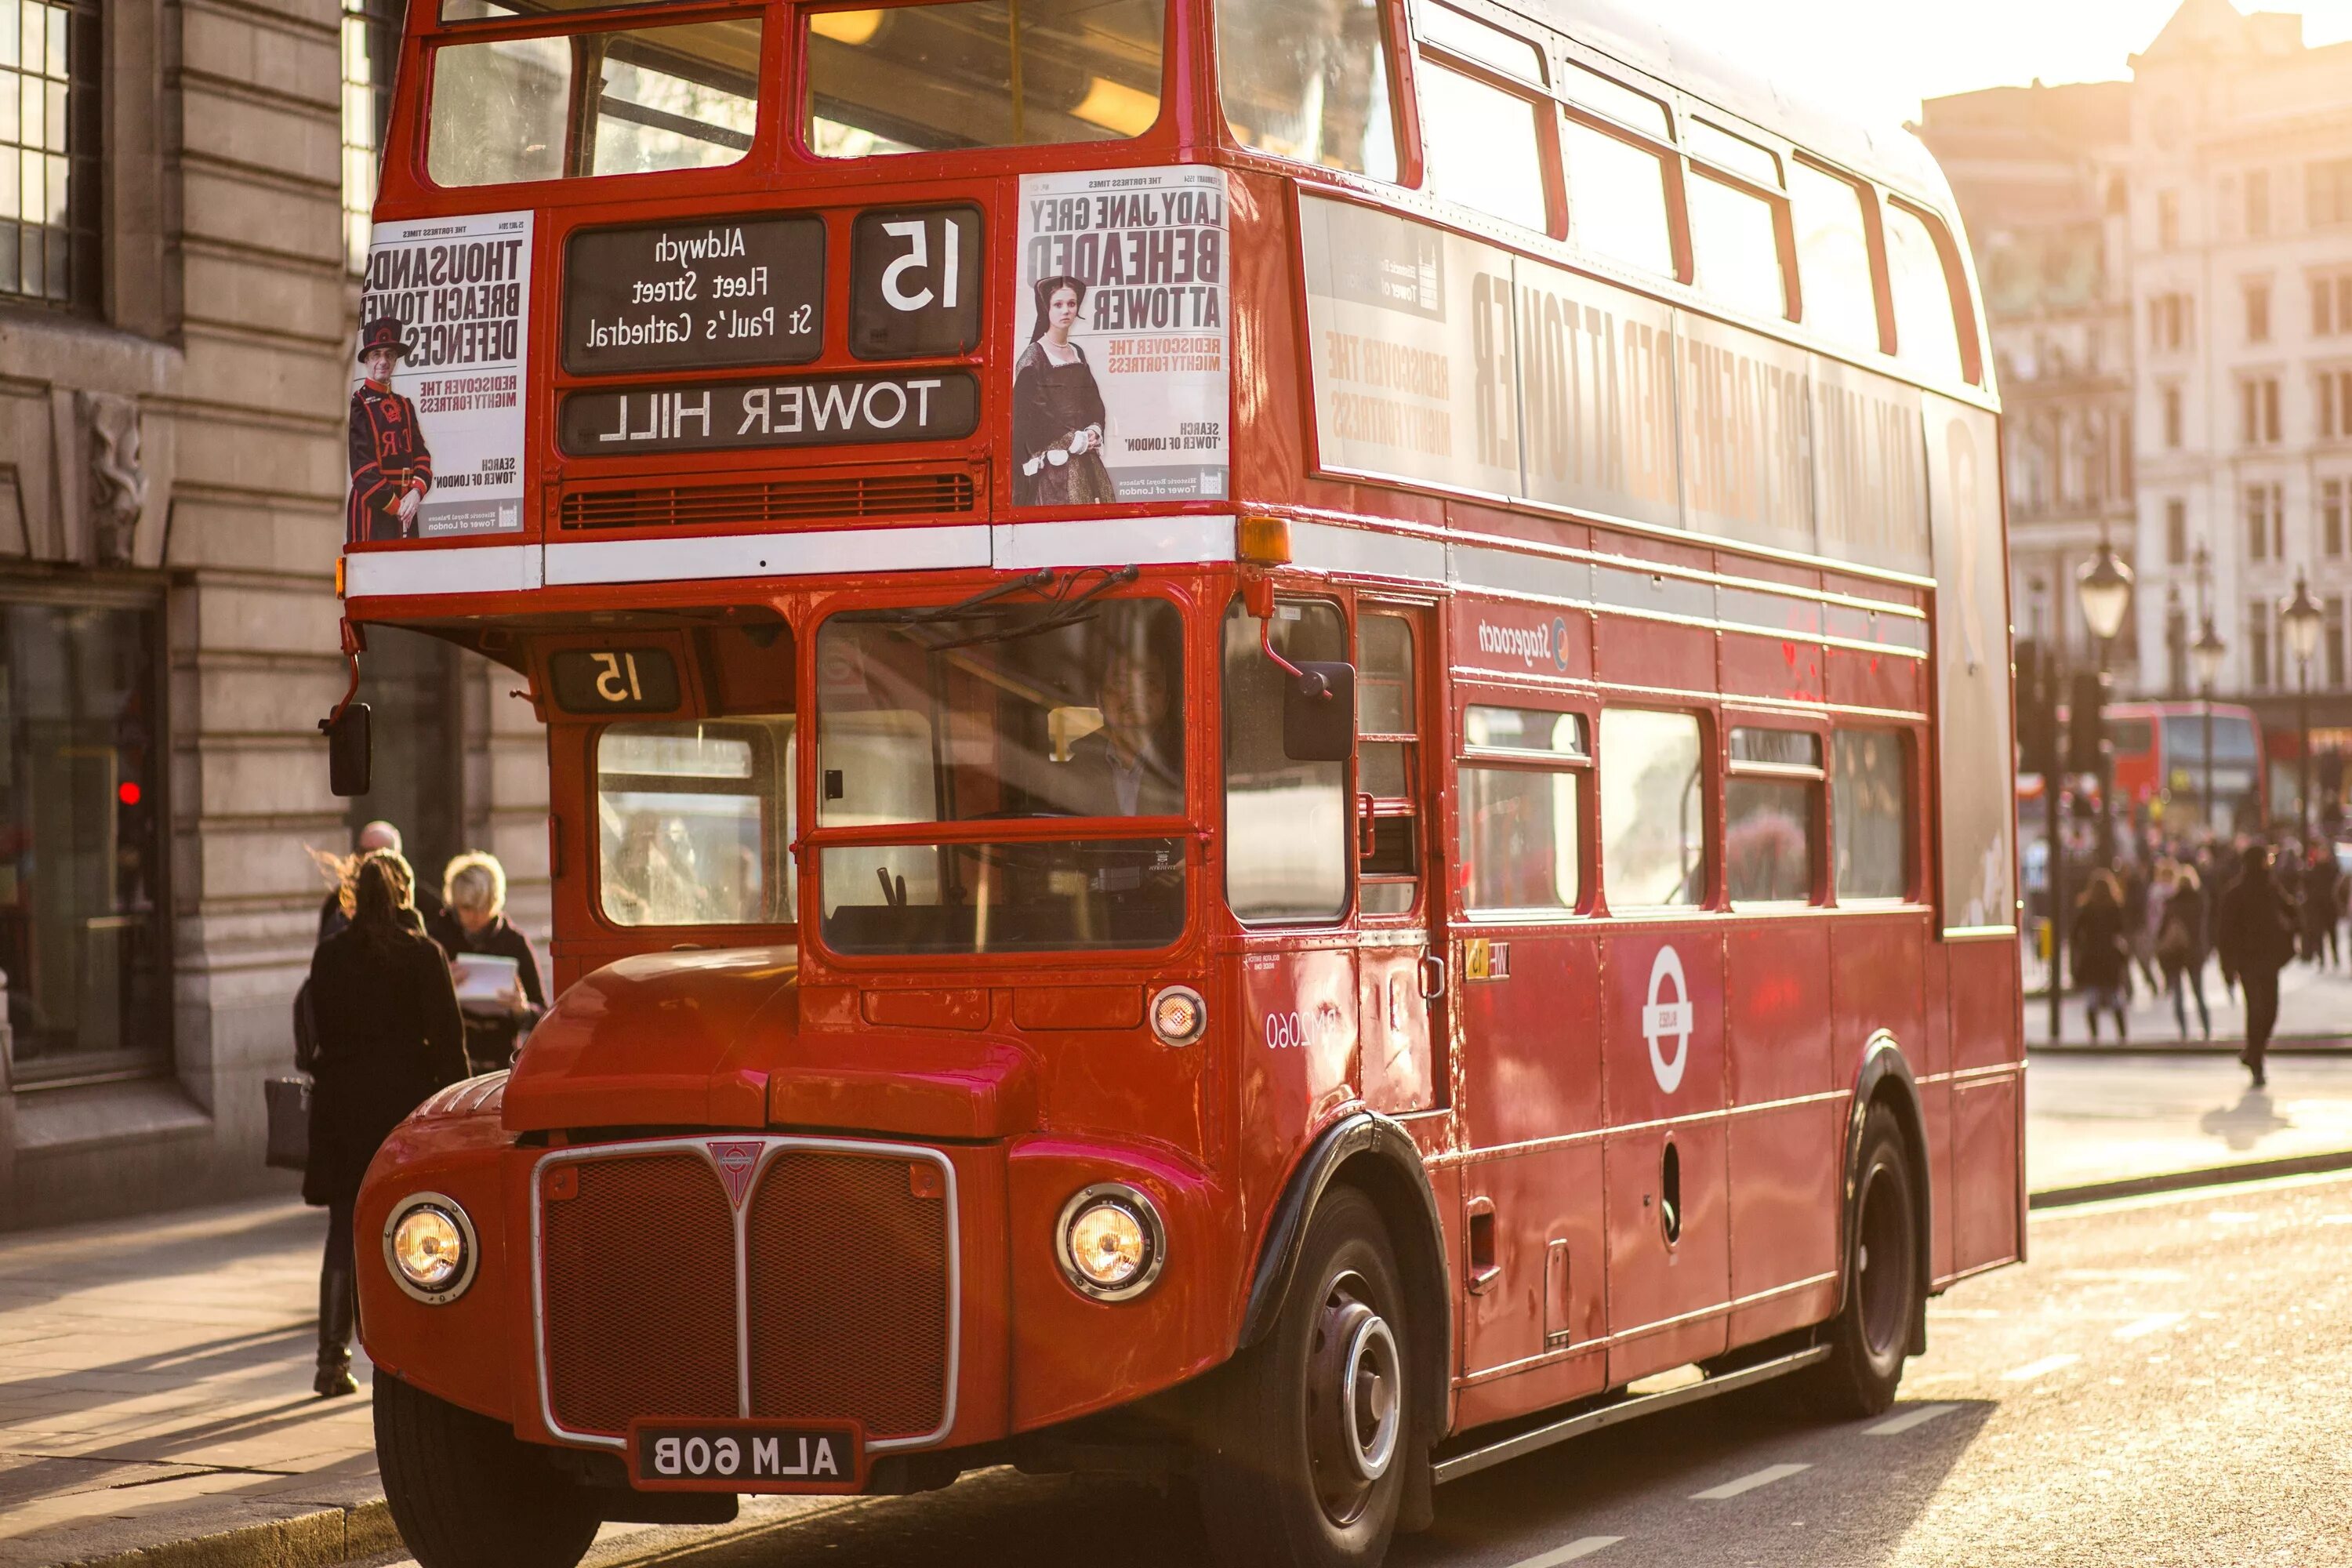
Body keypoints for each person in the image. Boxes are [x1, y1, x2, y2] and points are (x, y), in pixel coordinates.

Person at [303, 850, 466, 1396]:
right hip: (404, 1109)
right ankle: (417, 1363)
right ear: (405, 896)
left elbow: (317, 1030)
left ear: (353, 895)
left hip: (343, 1108)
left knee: (342, 1231)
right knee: (418, 1229)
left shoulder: (330, 956)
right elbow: (448, 1043)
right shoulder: (423, 954)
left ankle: (331, 1361)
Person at [1011, 275, 1116, 507]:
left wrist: (1094, 429)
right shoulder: (1033, 357)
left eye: (1071, 304)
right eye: (1058, 305)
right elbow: (1030, 414)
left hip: (1087, 460)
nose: (1066, 311)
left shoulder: (1077, 352)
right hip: (1053, 468)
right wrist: (1073, 439)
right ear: (1046, 308)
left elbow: (1092, 400)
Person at [442, 851, 546, 1076]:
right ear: (455, 904)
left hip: (498, 1064)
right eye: (467, 908)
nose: (475, 916)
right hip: (450, 1064)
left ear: (496, 902)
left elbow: (544, 1016)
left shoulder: (514, 943)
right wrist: (441, 984)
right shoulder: (439, 938)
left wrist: (522, 1009)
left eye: (483, 907)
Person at [1058, 647, 1182, 817]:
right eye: (1120, 683)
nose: (1134, 695)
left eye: (1148, 683)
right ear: (1099, 700)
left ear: (1166, 701)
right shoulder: (1076, 768)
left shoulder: (1184, 767)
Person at [2215, 843, 2298, 1088]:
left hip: (2265, 958)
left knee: (2269, 1010)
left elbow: (2290, 909)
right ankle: (2257, 1061)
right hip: (2250, 960)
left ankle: (2253, 1051)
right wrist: (2227, 966)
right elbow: (2225, 933)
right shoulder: (2237, 893)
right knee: (2259, 1009)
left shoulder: (2269, 888)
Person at [317, 820, 463, 954]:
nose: (372, 861)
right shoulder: (337, 903)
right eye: (365, 852)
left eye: (380, 854)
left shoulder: (427, 906)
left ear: (396, 857)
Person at [347, 317, 433, 544]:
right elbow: (363, 470)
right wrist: (398, 507)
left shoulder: (405, 405)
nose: (383, 361)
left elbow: (422, 456)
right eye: (377, 355)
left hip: (406, 506)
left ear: (395, 360)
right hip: (374, 510)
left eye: (389, 355)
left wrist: (415, 494)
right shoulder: (359, 404)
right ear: (366, 359)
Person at [2069, 869, 2130, 1043]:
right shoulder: (2115, 907)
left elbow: (2074, 934)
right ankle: (2122, 1034)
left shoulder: (2087, 908)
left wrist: (2083, 946)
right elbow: (2122, 930)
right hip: (2110, 956)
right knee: (2115, 997)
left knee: (2092, 999)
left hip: (2092, 957)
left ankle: (2094, 1035)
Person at [2154, 863, 2211, 1041]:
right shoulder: (2200, 902)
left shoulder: (2171, 903)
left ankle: (2184, 1031)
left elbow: (2162, 931)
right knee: (2199, 993)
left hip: (2175, 953)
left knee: (2178, 994)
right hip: (2194, 952)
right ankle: (2206, 1029)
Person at [2302, 845, 2341, 968]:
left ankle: (2335, 957)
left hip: (2330, 906)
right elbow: (2306, 885)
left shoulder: (2333, 870)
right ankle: (2322, 958)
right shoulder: (2313, 870)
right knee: (2319, 934)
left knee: (2332, 934)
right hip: (2318, 907)